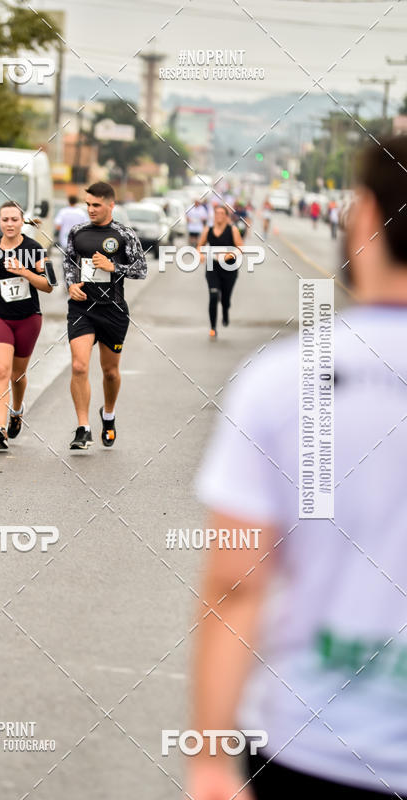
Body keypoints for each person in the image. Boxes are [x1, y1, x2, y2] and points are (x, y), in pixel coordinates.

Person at [190, 135, 407, 800]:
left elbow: (236, 583)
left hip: (317, 746)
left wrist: (207, 758)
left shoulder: (284, 380)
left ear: (365, 217)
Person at [64, 181, 147, 450]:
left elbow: (141, 270)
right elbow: (69, 262)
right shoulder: (77, 232)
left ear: (111, 205)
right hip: (82, 308)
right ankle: (82, 427)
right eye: (87, 204)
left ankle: (108, 416)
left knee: (110, 372)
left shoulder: (124, 234)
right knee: (79, 366)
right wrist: (71, 284)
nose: (90, 209)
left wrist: (113, 266)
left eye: (96, 205)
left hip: (112, 310)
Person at [0, 202, 52, 449]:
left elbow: (49, 285)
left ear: (21, 222)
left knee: (17, 375)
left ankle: (16, 411)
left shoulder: (35, 249)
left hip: (28, 317)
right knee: (0, 370)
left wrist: (25, 273)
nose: (9, 224)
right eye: (5, 219)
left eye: (14, 220)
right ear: (0, 222)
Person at [197, 205, 244, 339]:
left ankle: (225, 310)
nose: (218, 216)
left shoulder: (232, 230)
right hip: (212, 267)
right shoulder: (208, 230)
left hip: (229, 269)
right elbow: (200, 246)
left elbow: (240, 248)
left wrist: (228, 256)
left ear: (226, 216)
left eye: (221, 213)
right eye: (216, 213)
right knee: (213, 295)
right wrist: (199, 254)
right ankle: (213, 328)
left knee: (225, 298)